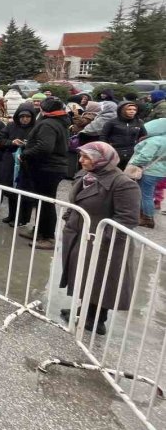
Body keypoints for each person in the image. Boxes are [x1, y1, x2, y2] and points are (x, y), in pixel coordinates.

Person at [60, 142, 140, 335]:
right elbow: (78, 200)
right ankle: (84, 310)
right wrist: (70, 214)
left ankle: (96, 319)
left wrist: (104, 239)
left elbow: (127, 218)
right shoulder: (86, 176)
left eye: (86, 157)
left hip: (104, 242)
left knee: (101, 279)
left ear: (102, 159)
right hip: (83, 235)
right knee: (84, 275)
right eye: (81, 156)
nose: (81, 161)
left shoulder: (123, 184)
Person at [17, 98, 70, 249]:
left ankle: (48, 237)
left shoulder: (48, 123)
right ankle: (39, 231)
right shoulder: (59, 121)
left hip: (48, 168)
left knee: (46, 202)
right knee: (41, 201)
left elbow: (45, 147)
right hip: (50, 167)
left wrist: (25, 154)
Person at [0, 103, 35, 224]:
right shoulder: (11, 126)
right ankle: (12, 215)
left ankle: (23, 219)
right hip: (11, 161)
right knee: (11, 189)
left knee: (25, 191)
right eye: (22, 116)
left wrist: (27, 145)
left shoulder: (36, 127)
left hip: (27, 163)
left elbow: (40, 144)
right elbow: (1, 139)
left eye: (28, 117)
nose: (25, 119)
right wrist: (12, 142)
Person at [127, 118, 166, 228]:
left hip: (149, 170)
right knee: (149, 194)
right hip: (161, 171)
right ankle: (144, 215)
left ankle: (147, 218)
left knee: (146, 195)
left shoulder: (154, 141)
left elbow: (145, 156)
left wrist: (133, 163)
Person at [102, 101, 147, 170]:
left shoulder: (139, 122)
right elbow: (103, 136)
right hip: (115, 152)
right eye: (129, 109)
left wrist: (139, 146)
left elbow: (143, 136)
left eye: (134, 110)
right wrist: (107, 148)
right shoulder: (111, 122)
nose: (132, 111)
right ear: (122, 110)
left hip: (132, 152)